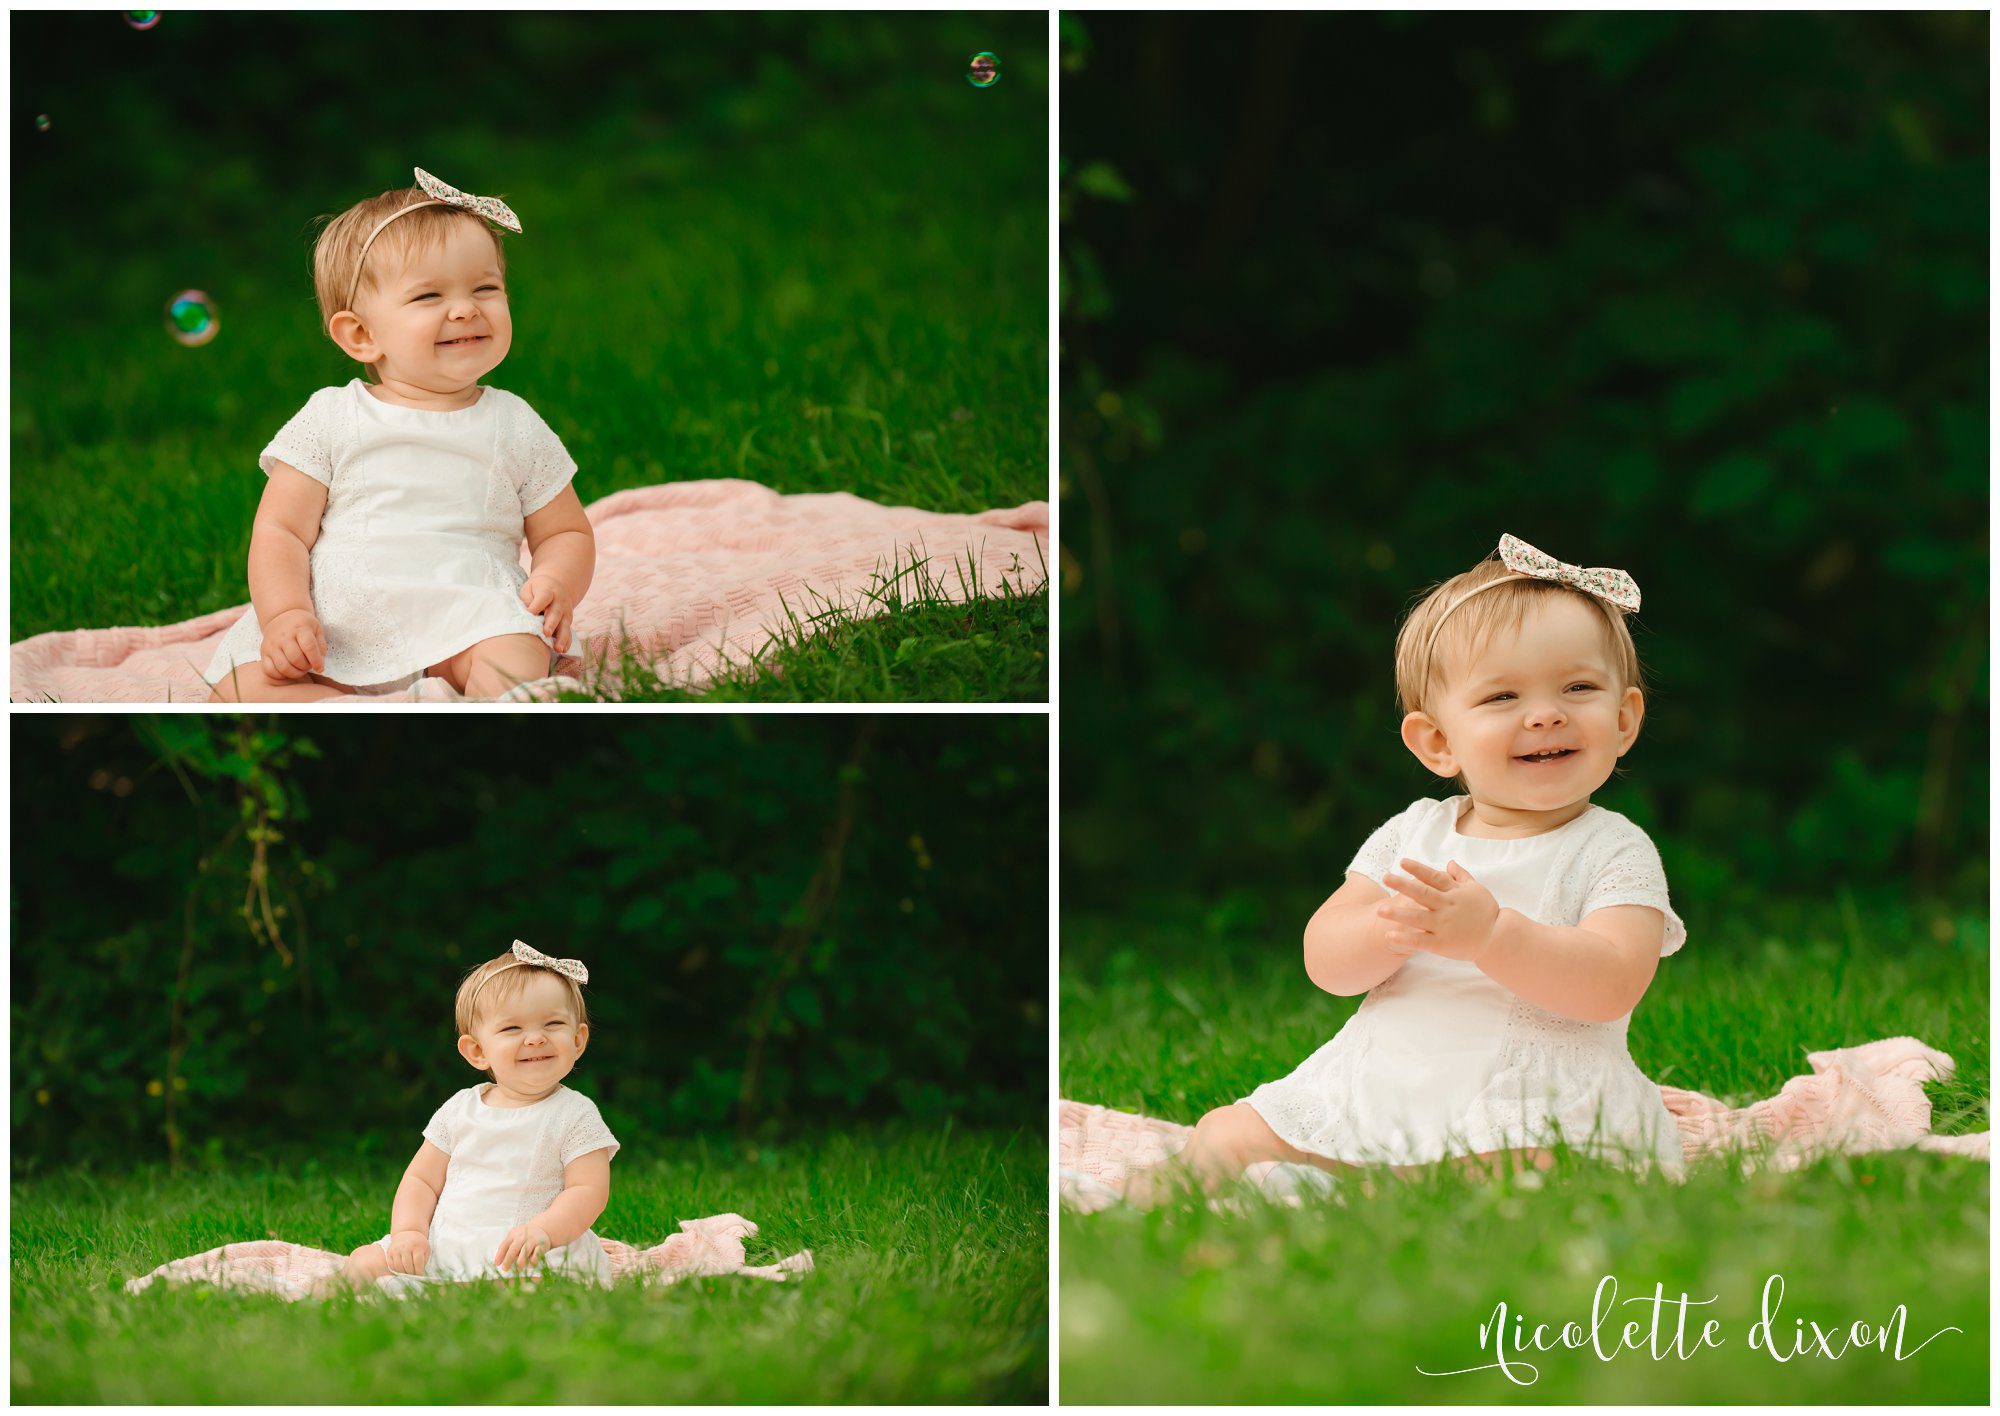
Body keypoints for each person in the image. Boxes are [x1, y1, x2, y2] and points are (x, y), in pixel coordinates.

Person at [1122, 534, 1687, 1205]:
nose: (1545, 714)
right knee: (1229, 1130)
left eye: (1579, 687)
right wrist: (1384, 929)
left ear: (1624, 719)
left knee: (1537, 1162)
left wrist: (1492, 936)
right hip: (1388, 1076)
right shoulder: (1413, 835)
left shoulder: (1614, 849)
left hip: (1532, 1091)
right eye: (1502, 697)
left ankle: (1348, 1195)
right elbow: (1326, 962)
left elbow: (1612, 984)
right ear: (1438, 743)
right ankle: (1155, 1199)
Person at [207, 168, 595, 701]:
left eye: (486, 288)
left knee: (514, 652)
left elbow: (565, 532)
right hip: (339, 628)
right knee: (238, 688)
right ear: (361, 335)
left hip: (470, 614)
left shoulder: (514, 424)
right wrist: (286, 614)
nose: (466, 308)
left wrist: (557, 581)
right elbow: (281, 531)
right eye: (429, 296)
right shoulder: (332, 417)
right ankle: (369, 706)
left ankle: (468, 699)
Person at [315, 941, 619, 1296]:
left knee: (541, 1283)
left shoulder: (575, 1114)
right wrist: (409, 1232)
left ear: (578, 1040)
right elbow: (421, 1180)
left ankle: (446, 1292)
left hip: (530, 1247)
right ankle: (331, 1297)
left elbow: (588, 1190)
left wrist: (545, 1230)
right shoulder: (461, 1109)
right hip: (453, 1239)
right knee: (367, 1260)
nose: (536, 1038)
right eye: (512, 1029)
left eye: (553, 1024)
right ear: (477, 1051)